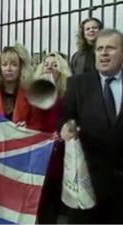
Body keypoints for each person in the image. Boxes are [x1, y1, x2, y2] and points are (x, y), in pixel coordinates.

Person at [61, 28, 123, 223]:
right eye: (99, 49)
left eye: (110, 48)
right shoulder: (78, 84)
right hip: (87, 183)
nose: (103, 53)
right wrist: (66, 127)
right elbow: (65, 116)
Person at [29, 52, 72, 224]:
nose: (49, 67)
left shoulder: (67, 96)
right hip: (38, 155)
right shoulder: (33, 93)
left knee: (51, 207)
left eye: (54, 64)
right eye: (46, 64)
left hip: (59, 156)